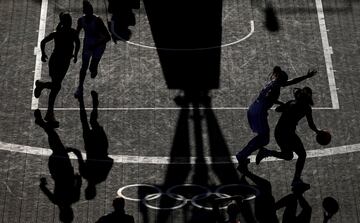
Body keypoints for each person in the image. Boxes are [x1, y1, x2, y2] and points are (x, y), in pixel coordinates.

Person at [236, 66, 317, 167]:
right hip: (259, 112)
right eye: (285, 81)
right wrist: (282, 103)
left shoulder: (275, 82)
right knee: (264, 139)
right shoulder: (276, 87)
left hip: (255, 108)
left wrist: (306, 76)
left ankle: (243, 155)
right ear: (282, 80)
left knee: (263, 138)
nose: (286, 83)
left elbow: (292, 82)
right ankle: (242, 155)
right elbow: (270, 98)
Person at [256, 87, 321, 187]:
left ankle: (266, 152)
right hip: (287, 133)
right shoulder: (306, 108)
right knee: (301, 155)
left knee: (289, 156)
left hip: (280, 132)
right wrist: (318, 132)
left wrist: (283, 105)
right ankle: (296, 179)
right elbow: (311, 124)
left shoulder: (292, 103)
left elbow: (278, 110)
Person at [34, 12, 80, 126]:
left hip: (63, 62)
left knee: (56, 86)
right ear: (65, 22)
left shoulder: (60, 32)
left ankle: (41, 85)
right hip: (57, 62)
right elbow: (77, 43)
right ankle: (49, 113)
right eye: (68, 21)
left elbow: (43, 42)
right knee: (56, 86)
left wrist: (75, 54)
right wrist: (43, 54)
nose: (70, 22)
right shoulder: (63, 33)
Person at [74, 0, 111, 98]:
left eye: (91, 10)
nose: (90, 12)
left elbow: (108, 37)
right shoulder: (81, 20)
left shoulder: (98, 20)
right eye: (87, 10)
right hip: (88, 45)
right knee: (84, 67)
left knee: (92, 69)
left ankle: (94, 68)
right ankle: (80, 88)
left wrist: (95, 45)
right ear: (85, 11)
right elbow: (76, 34)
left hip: (99, 46)